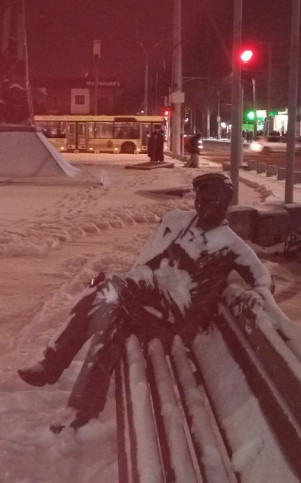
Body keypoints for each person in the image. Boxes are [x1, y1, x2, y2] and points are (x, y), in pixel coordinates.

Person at [18, 172, 272, 431]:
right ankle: (82, 410)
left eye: (212, 200)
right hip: (145, 304)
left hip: (174, 320)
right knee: (112, 318)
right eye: (201, 198)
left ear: (225, 202)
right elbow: (147, 262)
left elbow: (263, 280)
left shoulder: (232, 246)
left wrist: (253, 298)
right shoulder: (177, 222)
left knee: (108, 291)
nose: (204, 205)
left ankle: (52, 366)